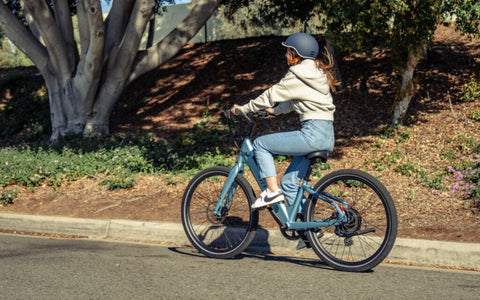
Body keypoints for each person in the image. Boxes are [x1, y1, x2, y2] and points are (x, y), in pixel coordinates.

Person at [231, 32, 339, 211]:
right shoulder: (317, 73)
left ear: (297, 53)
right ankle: (310, 235)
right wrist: (275, 111)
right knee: (289, 183)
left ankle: (272, 192)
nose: (286, 55)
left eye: (288, 51)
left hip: (311, 134)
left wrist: (245, 108)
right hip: (327, 135)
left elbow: (270, 95)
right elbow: (294, 99)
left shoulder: (297, 73)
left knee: (260, 144)